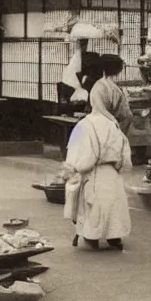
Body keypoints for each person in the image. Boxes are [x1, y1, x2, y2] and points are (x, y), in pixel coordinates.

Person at [62, 82, 133, 250]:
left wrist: (72, 169)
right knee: (114, 207)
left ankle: (91, 237)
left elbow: (77, 153)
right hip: (112, 173)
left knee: (92, 208)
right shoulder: (114, 125)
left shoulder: (84, 124)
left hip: (92, 173)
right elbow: (125, 156)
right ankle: (114, 237)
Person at [89, 54, 133, 133]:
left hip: (94, 127)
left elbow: (100, 109)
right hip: (110, 127)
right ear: (118, 70)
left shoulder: (97, 86)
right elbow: (127, 115)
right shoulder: (117, 90)